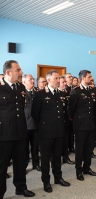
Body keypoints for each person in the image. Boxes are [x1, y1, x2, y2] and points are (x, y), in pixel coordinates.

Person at [0, 60, 35, 198]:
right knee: (2, 166)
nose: (21, 72)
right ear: (8, 72)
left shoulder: (20, 87)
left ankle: (21, 187)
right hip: (4, 134)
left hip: (21, 131)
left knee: (21, 163)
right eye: (18, 70)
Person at [32, 70, 71, 193]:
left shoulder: (60, 93)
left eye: (59, 78)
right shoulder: (40, 94)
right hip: (46, 132)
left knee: (57, 156)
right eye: (56, 78)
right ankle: (46, 181)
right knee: (45, 158)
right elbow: (35, 114)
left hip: (59, 131)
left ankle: (58, 178)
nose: (59, 81)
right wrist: (43, 126)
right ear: (48, 80)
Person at [68, 70, 96, 181]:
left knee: (89, 148)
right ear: (83, 78)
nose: (92, 78)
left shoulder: (93, 90)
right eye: (90, 76)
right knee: (80, 149)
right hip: (80, 125)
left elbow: (94, 107)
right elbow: (70, 110)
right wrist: (75, 121)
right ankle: (78, 171)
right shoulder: (75, 91)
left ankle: (87, 168)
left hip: (91, 123)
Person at [22, 74, 41, 171]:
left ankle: (36, 163)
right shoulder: (21, 93)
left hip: (36, 123)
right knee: (24, 148)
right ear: (24, 81)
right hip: (25, 124)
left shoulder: (36, 92)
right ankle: (24, 166)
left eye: (33, 79)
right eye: (30, 79)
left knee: (35, 146)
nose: (33, 81)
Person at [58, 76, 75, 165]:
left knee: (66, 140)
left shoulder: (68, 92)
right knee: (58, 141)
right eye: (62, 82)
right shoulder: (56, 93)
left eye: (65, 82)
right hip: (58, 121)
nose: (65, 83)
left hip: (67, 120)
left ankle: (65, 157)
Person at [64, 73, 75, 153]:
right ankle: (65, 149)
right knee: (66, 133)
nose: (71, 78)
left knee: (72, 132)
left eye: (71, 77)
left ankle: (71, 147)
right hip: (65, 115)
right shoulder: (64, 88)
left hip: (73, 114)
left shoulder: (74, 89)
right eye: (69, 77)